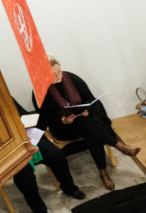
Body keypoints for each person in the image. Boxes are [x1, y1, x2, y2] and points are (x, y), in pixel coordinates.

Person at [36, 57, 139, 192]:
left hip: (84, 121)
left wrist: (87, 109)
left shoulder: (71, 78)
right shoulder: (40, 90)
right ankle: (118, 145)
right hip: (63, 128)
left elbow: (90, 98)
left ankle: (104, 172)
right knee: (92, 127)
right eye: (53, 74)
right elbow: (44, 119)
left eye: (59, 71)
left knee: (90, 128)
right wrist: (62, 120)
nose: (58, 76)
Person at [9, 98, 84, 213]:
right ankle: (39, 209)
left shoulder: (3, 95)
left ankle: (69, 187)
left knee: (56, 155)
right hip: (6, 146)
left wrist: (29, 121)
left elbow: (23, 114)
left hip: (26, 135)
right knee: (24, 174)